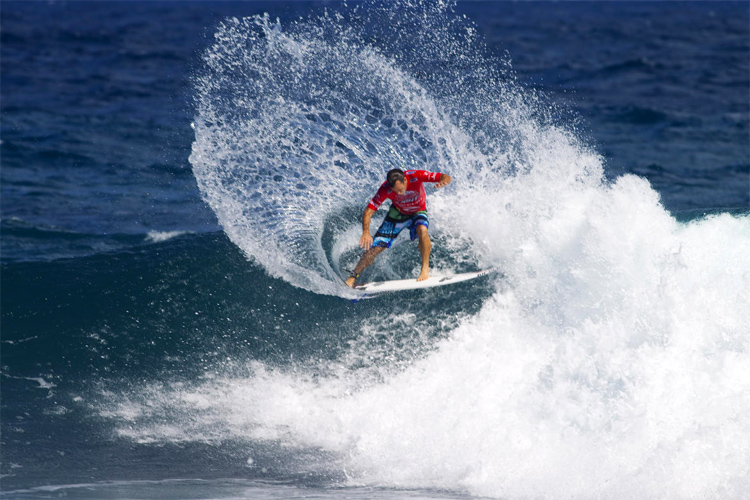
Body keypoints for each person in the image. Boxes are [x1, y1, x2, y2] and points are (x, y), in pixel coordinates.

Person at [345, 168, 452, 287]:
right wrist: (365, 232)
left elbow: (444, 176)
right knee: (376, 248)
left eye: (400, 189)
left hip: (418, 211)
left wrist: (444, 181)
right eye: (395, 191)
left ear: (405, 180)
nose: (399, 194)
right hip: (397, 213)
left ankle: (425, 269)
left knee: (422, 229)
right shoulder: (385, 189)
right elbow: (369, 211)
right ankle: (353, 276)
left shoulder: (417, 176)